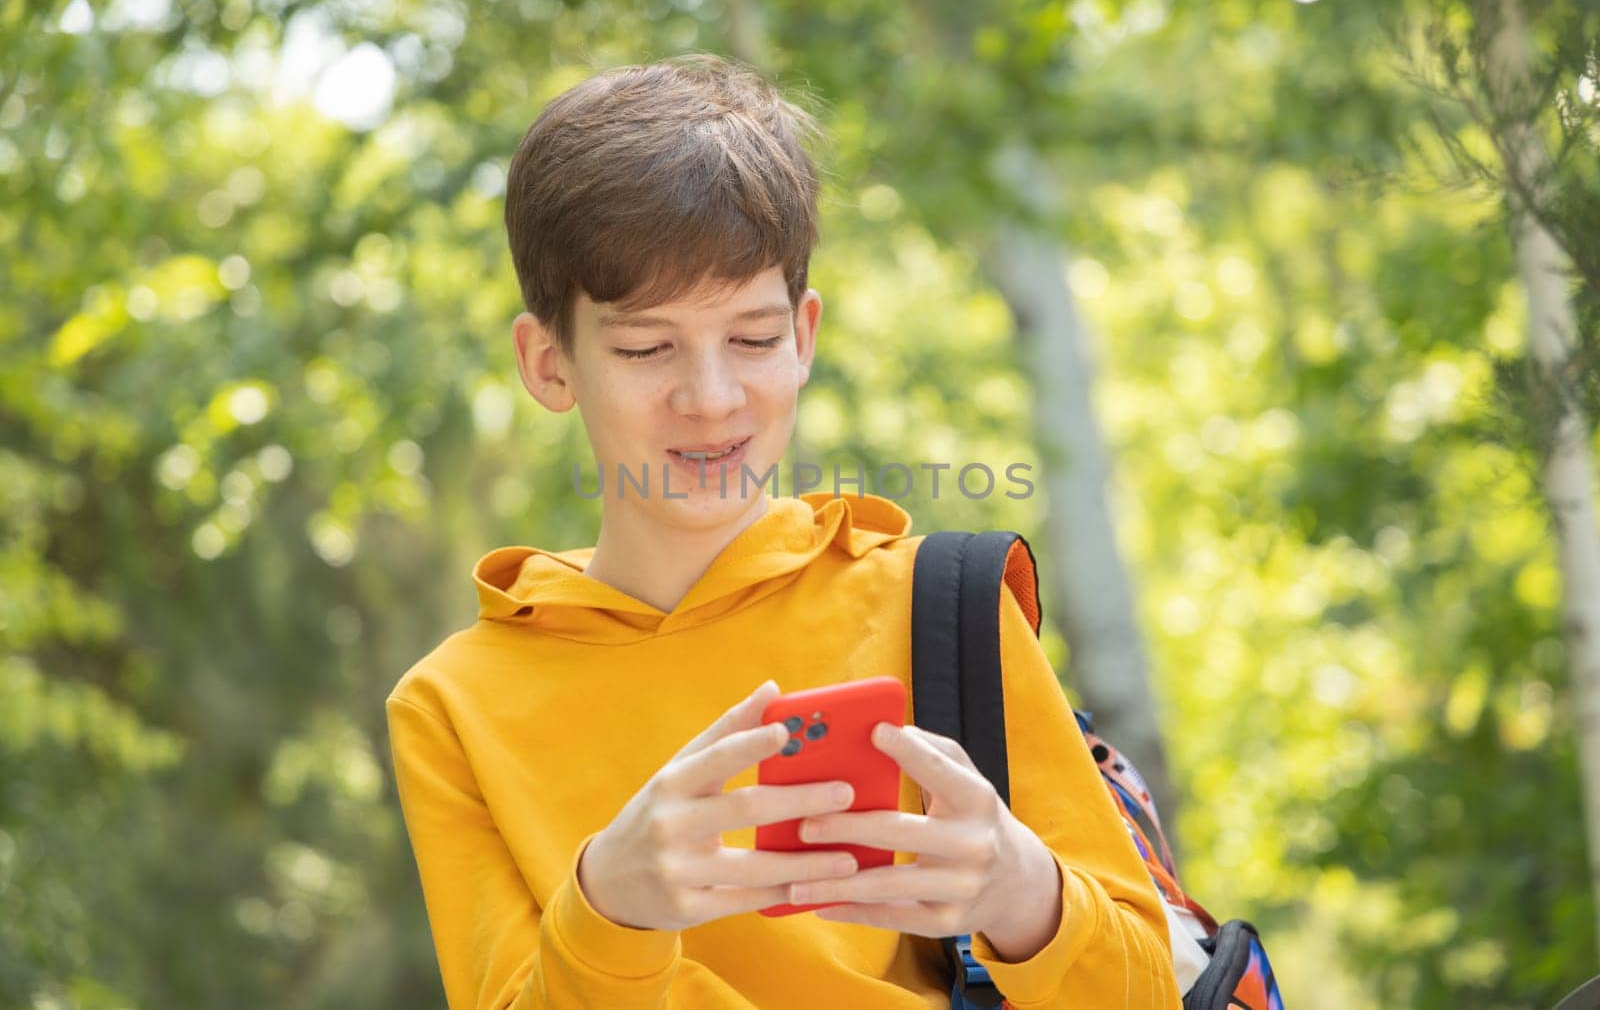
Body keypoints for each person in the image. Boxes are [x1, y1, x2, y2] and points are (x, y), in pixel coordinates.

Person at [385, 52, 1182, 1009]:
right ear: (549, 362)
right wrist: (610, 911)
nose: (711, 397)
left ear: (804, 338)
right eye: (646, 346)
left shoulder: (938, 603)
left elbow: (1147, 986)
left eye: (754, 339)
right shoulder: (454, 707)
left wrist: (1023, 893)